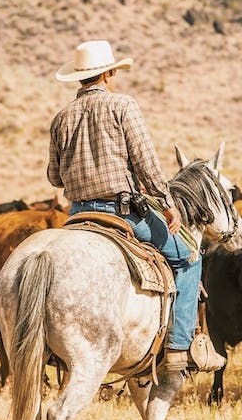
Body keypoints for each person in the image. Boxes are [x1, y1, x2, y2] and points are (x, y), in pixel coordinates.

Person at [47, 39, 199, 371]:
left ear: (79, 78)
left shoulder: (61, 118)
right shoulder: (123, 106)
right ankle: (179, 347)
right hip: (122, 213)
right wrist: (168, 202)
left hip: (78, 215)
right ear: (110, 73)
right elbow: (145, 161)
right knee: (189, 256)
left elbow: (54, 177)